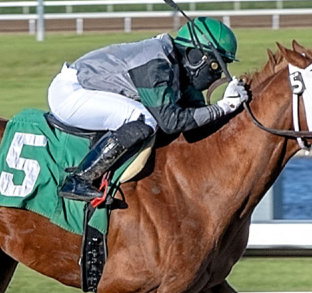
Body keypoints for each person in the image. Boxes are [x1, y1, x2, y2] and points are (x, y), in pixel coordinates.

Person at [48, 17, 250, 202]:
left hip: (87, 87)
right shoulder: (156, 65)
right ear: (196, 57)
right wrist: (224, 106)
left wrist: (231, 108)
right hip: (71, 93)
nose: (218, 74)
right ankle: (79, 179)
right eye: (217, 66)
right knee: (144, 119)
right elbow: (171, 122)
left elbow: (197, 115)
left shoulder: (176, 65)